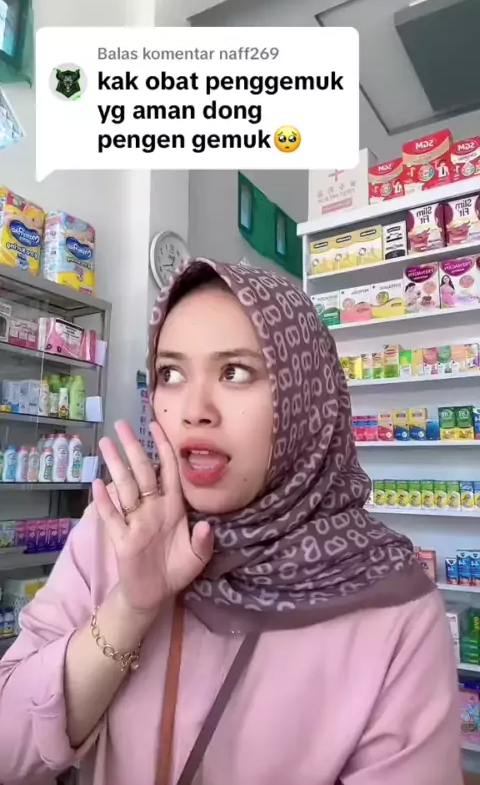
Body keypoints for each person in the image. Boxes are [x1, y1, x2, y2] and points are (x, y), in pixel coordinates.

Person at [0, 259, 462, 785]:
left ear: (303, 396)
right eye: (171, 374)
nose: (194, 410)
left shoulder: (393, 608)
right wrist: (129, 609)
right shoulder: (115, 534)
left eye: (235, 372)